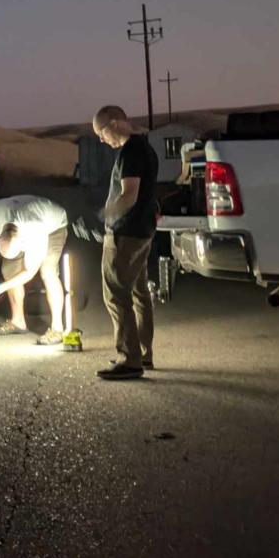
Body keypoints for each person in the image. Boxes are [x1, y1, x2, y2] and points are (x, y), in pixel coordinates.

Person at [92, 106, 159, 379]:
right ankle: (143, 354)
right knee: (139, 292)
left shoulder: (131, 152)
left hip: (126, 233)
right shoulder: (145, 148)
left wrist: (105, 216)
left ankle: (129, 360)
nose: (100, 139)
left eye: (101, 132)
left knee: (116, 293)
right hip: (142, 231)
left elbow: (129, 195)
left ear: (115, 123)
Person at [0, 195, 69, 345]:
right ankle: (18, 322)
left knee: (48, 271)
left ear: (22, 243)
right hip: (22, 216)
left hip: (53, 226)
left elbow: (29, 272)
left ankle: (57, 329)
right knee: (9, 269)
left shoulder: (36, 231)